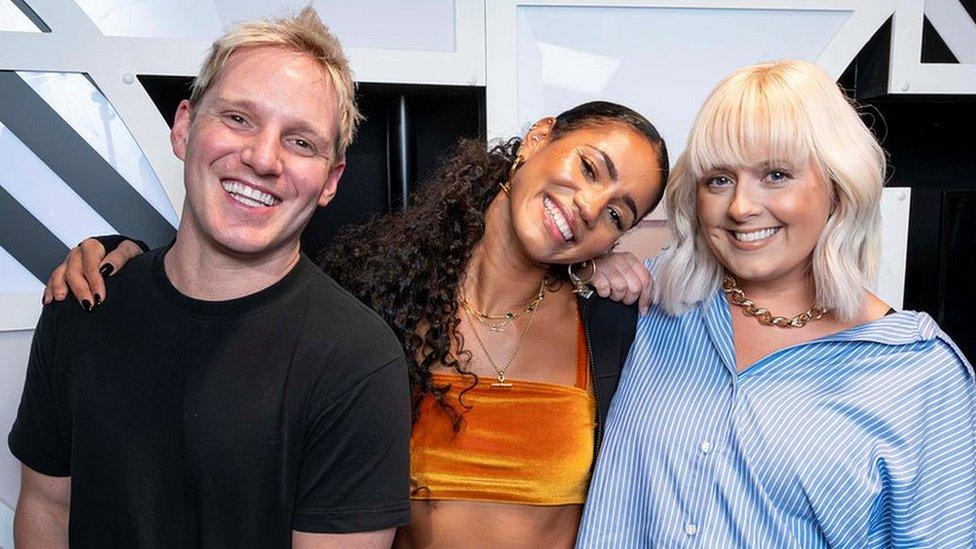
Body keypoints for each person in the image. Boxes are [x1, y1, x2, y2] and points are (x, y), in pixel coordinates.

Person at [44, 99, 669, 547]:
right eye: (590, 170)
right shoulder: (370, 296)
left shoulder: (610, 330)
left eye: (619, 214)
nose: (590, 208)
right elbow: (233, 289)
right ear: (538, 138)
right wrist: (125, 252)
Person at [9, 9, 411, 548]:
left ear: (330, 180)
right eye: (239, 118)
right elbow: (46, 507)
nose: (262, 159)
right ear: (183, 126)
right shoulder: (83, 302)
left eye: (301, 142)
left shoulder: (357, 362)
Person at [576, 59, 976, 547]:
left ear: (838, 186)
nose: (741, 207)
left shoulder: (921, 376)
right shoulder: (655, 297)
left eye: (777, 175)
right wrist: (579, 265)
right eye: (718, 179)